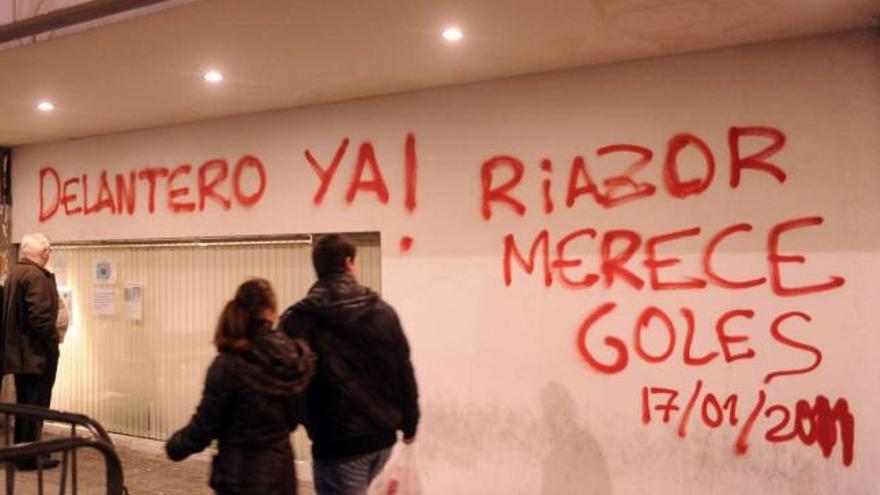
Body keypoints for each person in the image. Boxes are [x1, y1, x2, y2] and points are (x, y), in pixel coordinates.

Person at [279, 234, 420, 495]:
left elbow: (287, 382)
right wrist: (410, 422)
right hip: (382, 438)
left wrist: (295, 421)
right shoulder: (383, 311)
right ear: (349, 263)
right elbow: (403, 368)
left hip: (336, 444)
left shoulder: (298, 319)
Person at [166, 278, 315, 495]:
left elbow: (207, 424)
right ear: (273, 311)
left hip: (239, 476)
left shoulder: (228, 363)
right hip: (281, 472)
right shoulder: (293, 358)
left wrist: (176, 446)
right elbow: (297, 416)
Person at [1, 233, 60, 470]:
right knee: (35, 406)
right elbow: (40, 317)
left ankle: (21, 453)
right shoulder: (36, 276)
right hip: (36, 355)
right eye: (48, 251)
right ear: (42, 253)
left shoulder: (16, 272)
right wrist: (53, 341)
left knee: (24, 406)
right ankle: (30, 457)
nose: (48, 255)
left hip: (20, 355)